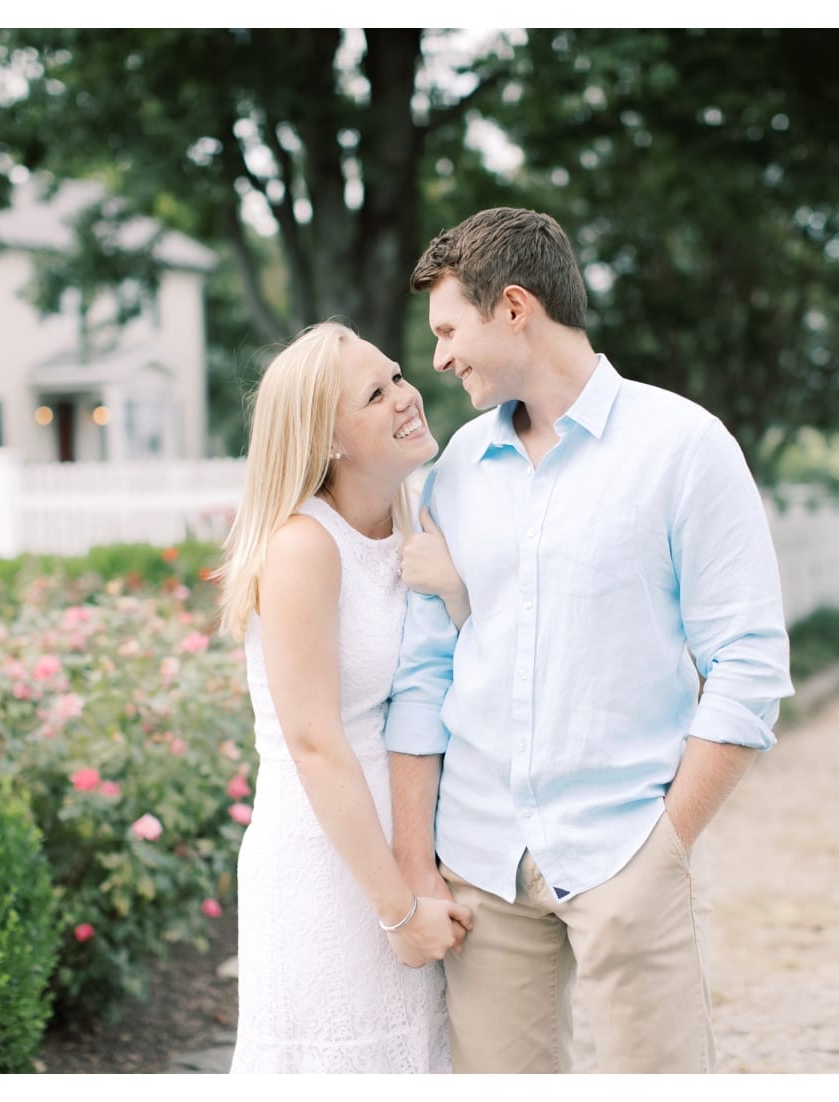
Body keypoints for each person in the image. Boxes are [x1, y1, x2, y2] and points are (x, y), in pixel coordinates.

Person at [384, 207, 795, 1073]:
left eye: (450, 328)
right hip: (483, 863)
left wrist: (665, 847)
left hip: (628, 848)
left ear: (516, 308)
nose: (440, 358)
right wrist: (419, 863)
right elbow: (425, 673)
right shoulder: (455, 467)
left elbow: (749, 666)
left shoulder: (684, 447)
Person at [217, 321, 474, 1073]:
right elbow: (315, 745)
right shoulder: (303, 546)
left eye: (396, 376)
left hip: (402, 842)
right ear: (325, 440)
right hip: (327, 865)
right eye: (374, 392)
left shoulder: (409, 521)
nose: (405, 396)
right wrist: (396, 909)